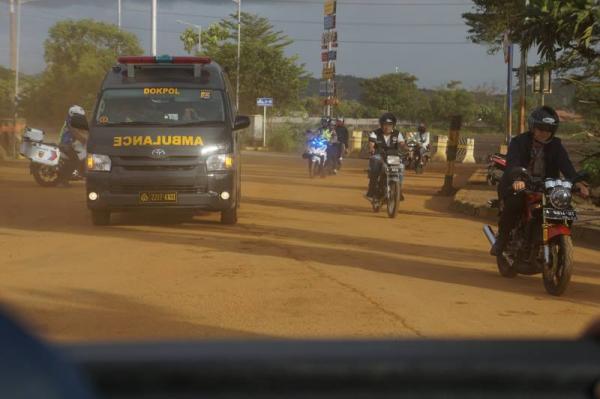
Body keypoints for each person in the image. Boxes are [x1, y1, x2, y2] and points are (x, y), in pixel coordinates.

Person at [490, 106, 590, 256]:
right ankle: (502, 240)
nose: (544, 133)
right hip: (520, 183)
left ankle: (560, 241)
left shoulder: (556, 145)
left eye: (549, 129)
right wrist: (518, 179)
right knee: (514, 204)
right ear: (533, 127)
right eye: (541, 129)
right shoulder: (519, 142)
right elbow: (513, 163)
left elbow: (566, 165)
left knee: (564, 207)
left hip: (547, 186)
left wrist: (576, 182)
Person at [366, 112, 407, 200]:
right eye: (385, 124)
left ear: (393, 125)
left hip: (393, 157)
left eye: (389, 124)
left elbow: (402, 143)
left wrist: (406, 148)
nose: (387, 127)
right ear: (381, 125)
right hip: (379, 156)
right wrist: (371, 148)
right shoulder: (375, 133)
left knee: (401, 167)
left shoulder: (397, 134)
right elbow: (371, 143)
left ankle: (399, 190)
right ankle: (371, 191)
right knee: (375, 166)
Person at [58, 113, 89, 186]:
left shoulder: (71, 122)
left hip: (69, 144)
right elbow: (75, 133)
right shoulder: (70, 123)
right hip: (65, 145)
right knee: (75, 161)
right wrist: (83, 140)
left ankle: (77, 173)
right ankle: (63, 180)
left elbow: (82, 130)